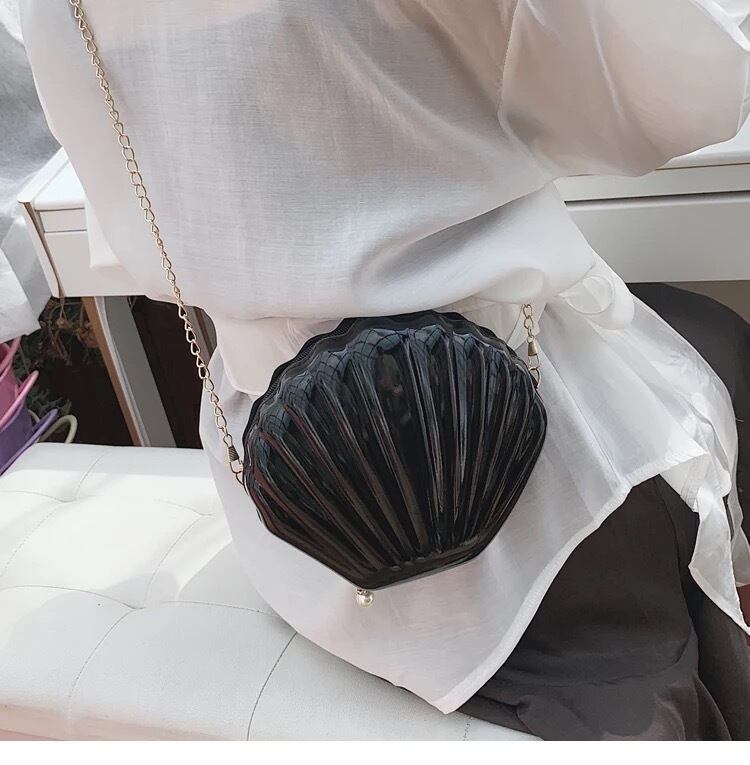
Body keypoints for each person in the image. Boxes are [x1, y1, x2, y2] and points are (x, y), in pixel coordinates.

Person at [20, 0, 750, 739]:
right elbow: (681, 97)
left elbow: (134, 232)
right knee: (717, 342)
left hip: (303, 527)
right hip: (546, 504)